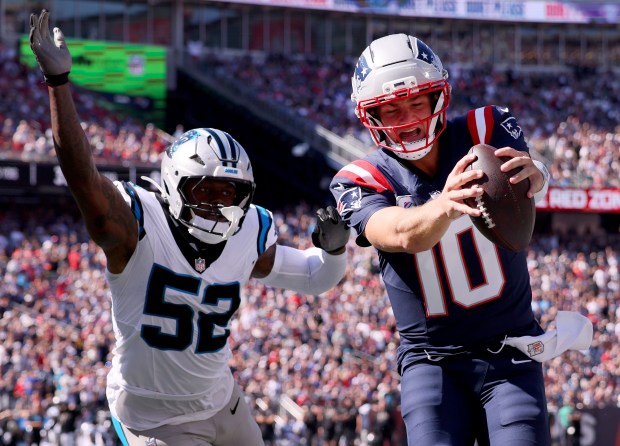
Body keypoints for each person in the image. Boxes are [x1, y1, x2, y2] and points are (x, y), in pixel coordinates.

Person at [29, 10, 350, 446]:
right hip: (152, 418)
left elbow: (316, 277)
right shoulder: (138, 224)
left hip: (221, 401)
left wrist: (334, 250)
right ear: (174, 185)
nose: (218, 205)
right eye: (205, 190)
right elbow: (83, 177)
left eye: (229, 193)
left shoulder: (249, 230)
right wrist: (59, 84)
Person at [330, 33, 590, 445]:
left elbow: (522, 180)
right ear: (370, 115)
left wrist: (538, 169)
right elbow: (397, 232)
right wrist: (444, 204)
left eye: (418, 101)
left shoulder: (486, 127)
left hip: (511, 351)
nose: (409, 118)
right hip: (433, 363)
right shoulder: (359, 178)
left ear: (440, 97)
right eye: (391, 109)